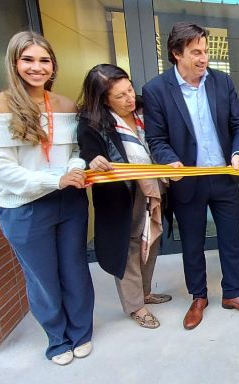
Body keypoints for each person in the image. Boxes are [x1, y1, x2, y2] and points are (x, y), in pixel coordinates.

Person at [0, 31, 94, 365]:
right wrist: (56, 179)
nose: (37, 67)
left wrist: (72, 170)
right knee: (42, 277)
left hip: (69, 201)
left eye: (44, 60)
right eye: (28, 59)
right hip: (24, 206)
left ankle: (81, 332)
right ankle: (58, 341)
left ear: (53, 66)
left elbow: (75, 152)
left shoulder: (65, 105)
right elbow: (2, 171)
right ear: (14, 63)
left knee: (74, 270)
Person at [143, 22, 239, 330]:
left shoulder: (222, 82)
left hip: (224, 177)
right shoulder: (156, 90)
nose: (203, 58)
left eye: (206, 51)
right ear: (176, 54)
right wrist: (170, 161)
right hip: (188, 180)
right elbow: (157, 140)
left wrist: (238, 153)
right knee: (192, 243)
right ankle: (199, 297)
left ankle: (232, 294)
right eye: (196, 52)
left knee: (231, 240)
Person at [77, 64, 172, 329]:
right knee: (130, 247)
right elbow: (89, 154)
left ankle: (145, 292)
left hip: (153, 188)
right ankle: (135, 305)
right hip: (123, 196)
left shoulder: (144, 107)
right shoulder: (92, 123)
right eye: (120, 96)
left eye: (129, 89)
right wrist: (93, 160)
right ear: (103, 99)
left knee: (152, 239)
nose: (129, 98)